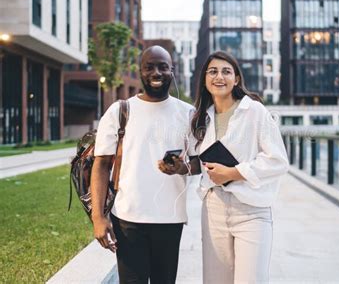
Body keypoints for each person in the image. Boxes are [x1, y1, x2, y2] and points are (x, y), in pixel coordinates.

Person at [90, 45, 201, 284]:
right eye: (149, 67)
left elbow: (198, 162)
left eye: (163, 67)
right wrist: (98, 218)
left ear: (173, 70)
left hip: (170, 218)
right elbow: (101, 166)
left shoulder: (188, 113)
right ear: (140, 71)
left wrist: (181, 168)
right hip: (128, 218)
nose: (156, 73)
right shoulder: (120, 111)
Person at [192, 50, 289, 283]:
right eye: (213, 71)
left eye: (226, 72)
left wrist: (233, 172)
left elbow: (278, 160)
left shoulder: (254, 111)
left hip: (251, 209)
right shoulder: (201, 118)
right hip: (214, 207)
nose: (219, 77)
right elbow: (197, 160)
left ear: (236, 79)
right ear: (205, 80)